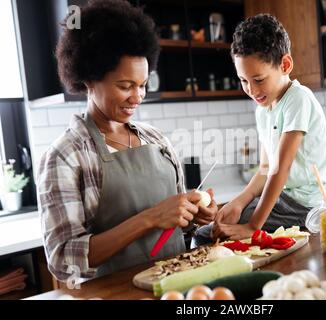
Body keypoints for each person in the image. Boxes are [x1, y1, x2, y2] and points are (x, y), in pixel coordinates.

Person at [37, 0, 217, 281]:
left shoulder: (156, 140)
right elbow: (63, 259)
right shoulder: (66, 155)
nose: (138, 96)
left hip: (179, 284)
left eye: (142, 84)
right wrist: (150, 218)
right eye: (125, 86)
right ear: (89, 79)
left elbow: (179, 233)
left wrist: (194, 216)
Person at [193, 14, 326, 245]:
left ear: (285, 65)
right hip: (283, 200)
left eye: (258, 79)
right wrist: (239, 201)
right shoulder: (264, 109)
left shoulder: (298, 99)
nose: (251, 89)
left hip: (307, 206)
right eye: (244, 80)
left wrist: (252, 226)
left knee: (212, 235)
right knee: (209, 232)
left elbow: (282, 168)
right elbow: (266, 168)